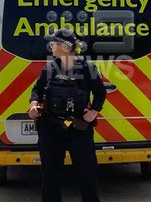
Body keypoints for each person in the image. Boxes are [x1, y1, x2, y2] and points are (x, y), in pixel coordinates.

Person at [28, 28, 106, 202]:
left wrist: (94, 111)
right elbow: (37, 90)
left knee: (87, 174)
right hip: (51, 128)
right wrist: (33, 105)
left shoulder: (87, 68)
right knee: (50, 176)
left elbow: (100, 93)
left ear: (65, 46)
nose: (51, 46)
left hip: (78, 129)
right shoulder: (50, 67)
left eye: (54, 43)